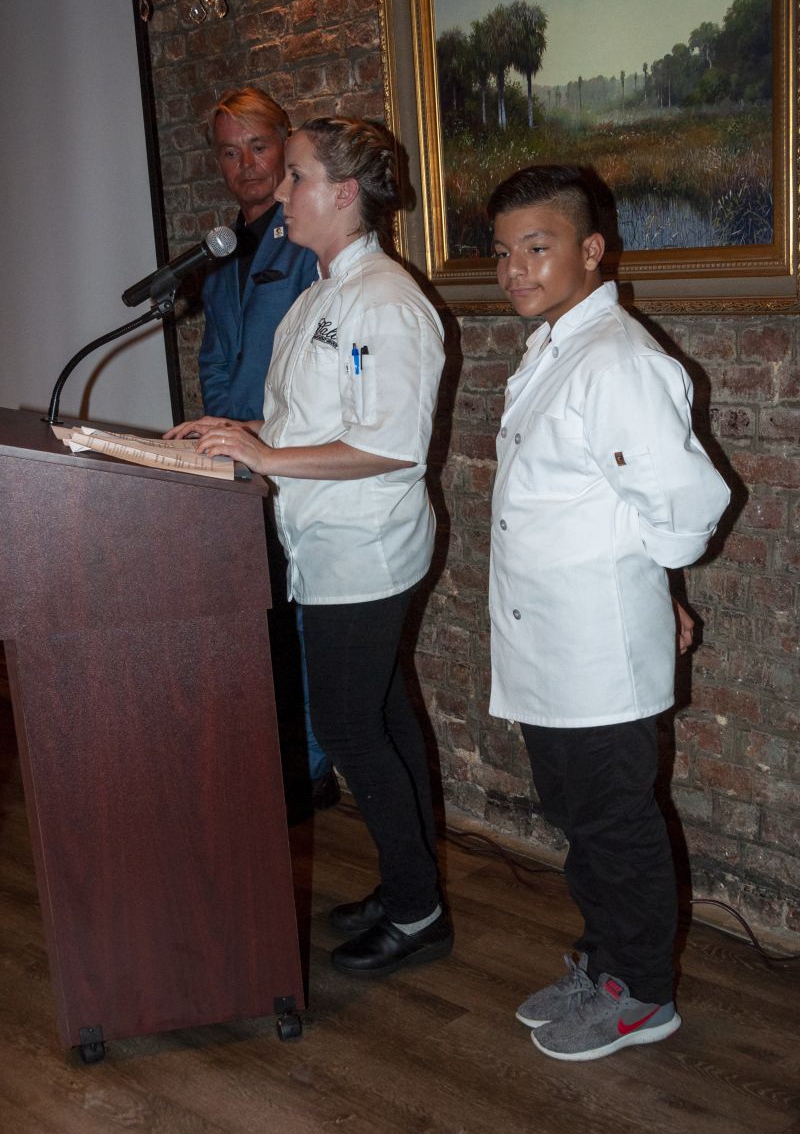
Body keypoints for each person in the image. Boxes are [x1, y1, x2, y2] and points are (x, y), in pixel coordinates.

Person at [167, 116, 451, 978]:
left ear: (345, 193)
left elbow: (390, 444)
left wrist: (264, 457)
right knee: (383, 719)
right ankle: (412, 887)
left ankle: (418, 912)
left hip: (363, 550)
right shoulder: (318, 294)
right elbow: (307, 424)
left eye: (296, 176)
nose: (280, 192)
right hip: (328, 542)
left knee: (349, 728)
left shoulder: (386, 301)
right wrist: (238, 432)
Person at [486, 165, 730, 1061]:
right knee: (579, 816)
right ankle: (606, 961)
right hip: (551, 641)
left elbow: (688, 504)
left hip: (595, 648)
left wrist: (656, 583)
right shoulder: (556, 346)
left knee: (615, 824)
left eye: (537, 247)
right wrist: (662, 585)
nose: (515, 268)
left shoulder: (617, 360)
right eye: (503, 252)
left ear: (591, 250)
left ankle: (643, 994)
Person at [200, 86, 338, 811]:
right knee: (254, 621)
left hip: (295, 463)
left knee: (303, 623)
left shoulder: (308, 241)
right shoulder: (222, 251)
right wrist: (221, 433)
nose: (246, 165)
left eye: (258, 146)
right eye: (230, 152)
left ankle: (309, 770)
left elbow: (324, 367)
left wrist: (261, 433)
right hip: (237, 466)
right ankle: (269, 763)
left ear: (284, 144)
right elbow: (215, 358)